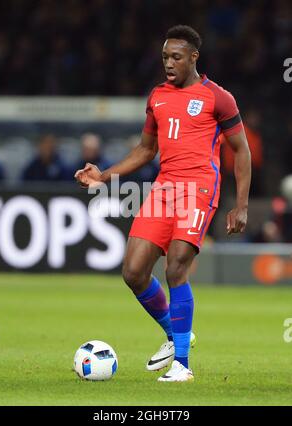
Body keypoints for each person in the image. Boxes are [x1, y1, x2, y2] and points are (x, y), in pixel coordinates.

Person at [75, 25, 251, 382]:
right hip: (163, 190)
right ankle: (175, 333)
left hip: (199, 188)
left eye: (176, 57)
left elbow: (241, 150)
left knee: (175, 268)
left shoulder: (219, 98)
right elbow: (145, 149)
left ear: (193, 57)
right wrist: (104, 175)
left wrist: (241, 204)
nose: (169, 63)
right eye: (165, 57)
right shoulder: (157, 96)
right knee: (134, 272)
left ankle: (182, 365)